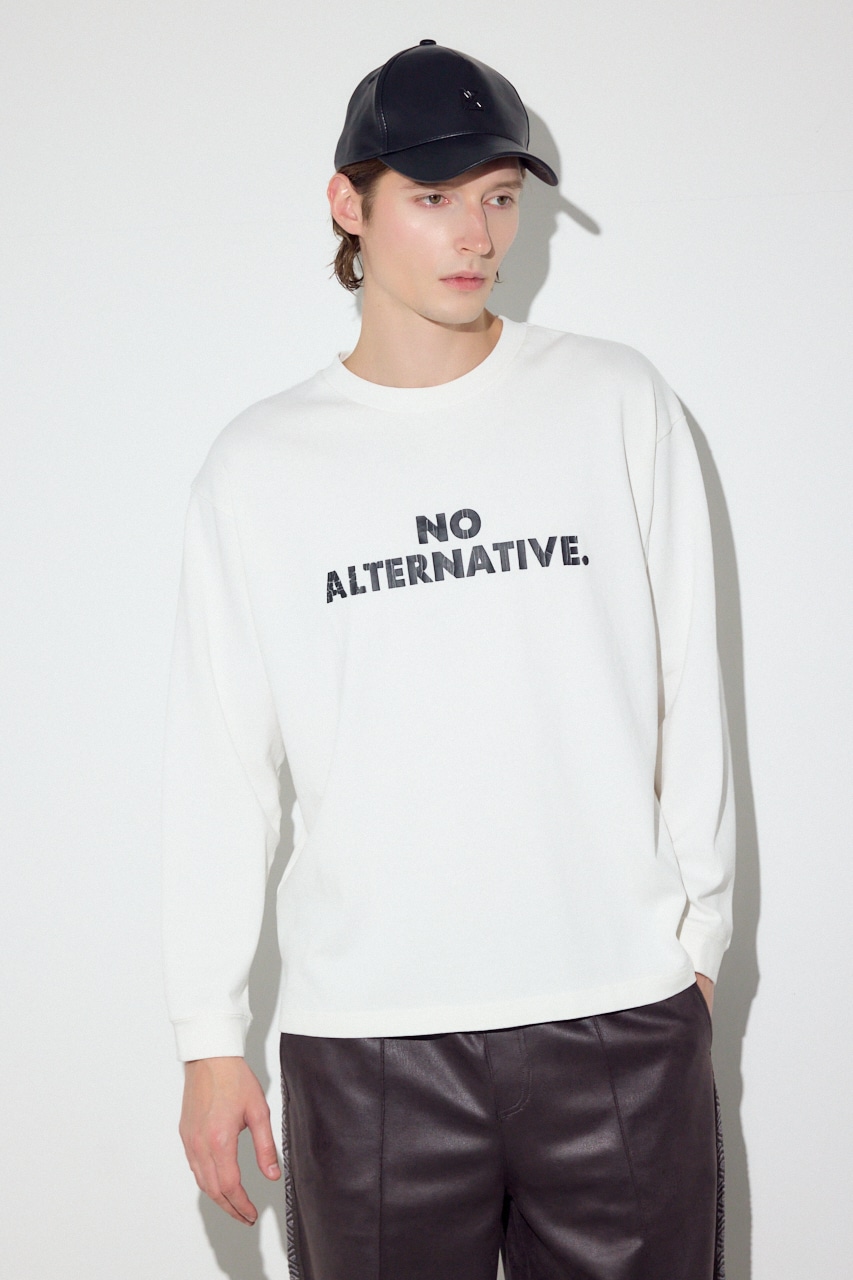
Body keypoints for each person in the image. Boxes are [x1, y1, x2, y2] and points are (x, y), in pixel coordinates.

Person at [162, 39, 735, 1280]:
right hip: (369, 1043)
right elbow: (220, 763)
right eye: (432, 196)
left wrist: (697, 947)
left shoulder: (613, 401)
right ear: (348, 204)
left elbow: (690, 687)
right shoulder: (260, 467)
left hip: (615, 1016)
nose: (477, 236)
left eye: (500, 196)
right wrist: (209, 1033)